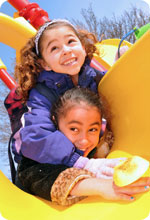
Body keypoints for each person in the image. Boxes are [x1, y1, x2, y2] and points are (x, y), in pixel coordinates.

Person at [17, 87, 150, 205]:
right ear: (56, 124)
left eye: (92, 130)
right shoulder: (36, 158)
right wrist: (100, 186)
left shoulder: (97, 147)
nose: (84, 141)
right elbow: (39, 177)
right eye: (74, 129)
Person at [14, 19, 112, 174]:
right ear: (44, 64)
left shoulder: (94, 77)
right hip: (41, 161)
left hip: (84, 146)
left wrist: (121, 65)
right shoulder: (42, 94)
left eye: (71, 41)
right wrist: (79, 162)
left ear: (83, 47)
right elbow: (35, 137)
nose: (66, 50)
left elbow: (118, 87)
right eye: (54, 48)